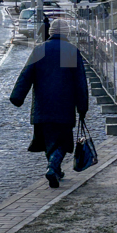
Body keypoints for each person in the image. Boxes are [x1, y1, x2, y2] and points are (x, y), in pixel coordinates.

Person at [10, 18, 89, 188]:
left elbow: (26, 75)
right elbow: (79, 82)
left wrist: (17, 97)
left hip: (42, 106)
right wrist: (82, 107)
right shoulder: (70, 51)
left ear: (51, 32)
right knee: (62, 142)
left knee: (49, 141)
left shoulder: (40, 50)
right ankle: (53, 168)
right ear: (66, 33)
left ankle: (55, 169)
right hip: (64, 107)